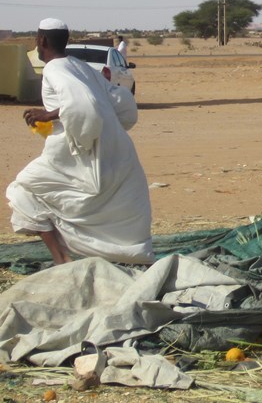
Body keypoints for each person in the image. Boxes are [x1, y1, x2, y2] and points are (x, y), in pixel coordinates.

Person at [7, 19, 154, 265]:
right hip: (113, 145)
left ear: (41, 41)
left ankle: (61, 259)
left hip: (76, 152)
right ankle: (98, 254)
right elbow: (122, 101)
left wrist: (48, 114)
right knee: (86, 202)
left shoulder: (55, 69)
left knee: (22, 190)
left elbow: (84, 105)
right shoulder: (81, 67)